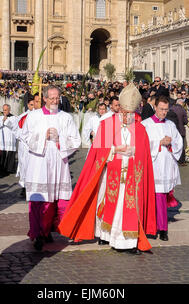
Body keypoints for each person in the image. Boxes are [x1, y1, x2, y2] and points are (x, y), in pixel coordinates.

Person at [58, 84, 156, 255]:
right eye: (125, 114)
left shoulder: (140, 129)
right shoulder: (107, 125)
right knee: (109, 204)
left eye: (131, 115)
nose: (127, 117)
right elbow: (98, 152)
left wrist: (135, 153)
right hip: (110, 172)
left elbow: (145, 155)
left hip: (132, 176)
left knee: (127, 208)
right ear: (119, 110)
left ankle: (126, 241)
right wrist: (115, 150)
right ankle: (105, 234)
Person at [20, 85, 81, 251]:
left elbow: (76, 140)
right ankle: (38, 233)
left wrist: (60, 138)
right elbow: (24, 136)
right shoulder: (33, 116)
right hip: (39, 163)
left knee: (57, 200)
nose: (55, 101)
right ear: (44, 98)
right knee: (40, 201)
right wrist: (43, 138)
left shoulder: (65, 117)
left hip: (59, 163)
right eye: (52, 98)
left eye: (57, 98)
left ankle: (50, 230)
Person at [141, 96, 182, 241]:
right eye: (161, 109)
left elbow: (178, 141)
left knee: (162, 197)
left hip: (166, 166)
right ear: (155, 108)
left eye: (166, 110)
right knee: (152, 198)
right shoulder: (145, 124)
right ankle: (153, 228)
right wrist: (158, 143)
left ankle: (162, 228)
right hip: (153, 165)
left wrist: (171, 144)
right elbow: (142, 144)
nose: (164, 112)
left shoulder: (170, 124)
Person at [15, 97, 35, 196]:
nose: (34, 107)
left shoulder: (41, 115)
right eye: (32, 105)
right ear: (28, 105)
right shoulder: (23, 117)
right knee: (24, 166)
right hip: (25, 146)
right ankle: (24, 187)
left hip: (36, 146)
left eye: (35, 104)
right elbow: (17, 131)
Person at [0, 104, 17, 177]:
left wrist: (6, 121)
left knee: (10, 153)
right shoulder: (0, 117)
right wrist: (2, 121)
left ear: (9, 110)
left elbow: (13, 126)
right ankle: (1, 168)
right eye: (3, 110)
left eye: (5, 110)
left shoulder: (14, 118)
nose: (4, 111)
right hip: (2, 138)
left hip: (10, 137)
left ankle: (9, 168)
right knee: (2, 153)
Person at [170, 98, 188, 165]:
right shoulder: (182, 110)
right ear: (181, 103)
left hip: (172, 130)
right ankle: (181, 161)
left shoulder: (171, 108)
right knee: (181, 146)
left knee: (173, 145)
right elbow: (186, 122)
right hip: (180, 130)